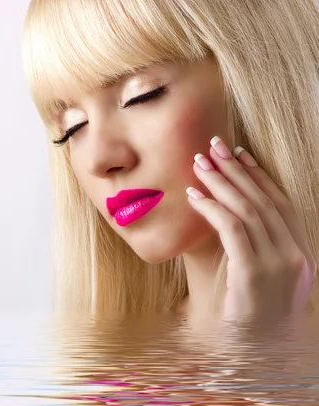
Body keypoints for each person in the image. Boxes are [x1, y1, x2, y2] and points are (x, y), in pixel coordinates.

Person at [21, 0, 319, 328]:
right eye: (73, 127)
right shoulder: (116, 368)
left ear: (255, 78)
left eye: (142, 95)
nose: (99, 159)